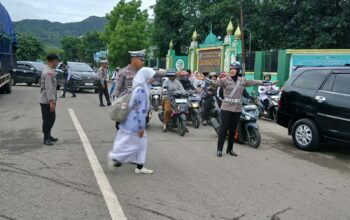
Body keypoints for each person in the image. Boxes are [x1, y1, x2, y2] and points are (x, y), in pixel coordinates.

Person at [206, 62, 277, 157]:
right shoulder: (225, 80)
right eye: (231, 68)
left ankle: (230, 149)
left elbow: (254, 82)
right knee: (223, 129)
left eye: (234, 69)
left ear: (238, 70)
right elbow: (215, 83)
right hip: (226, 108)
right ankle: (219, 149)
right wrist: (205, 79)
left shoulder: (242, 81)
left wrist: (269, 83)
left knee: (233, 129)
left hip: (237, 108)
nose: (232, 70)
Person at [108, 67, 157, 174]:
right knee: (138, 144)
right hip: (135, 122)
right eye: (152, 77)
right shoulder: (142, 90)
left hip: (130, 121)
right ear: (145, 77)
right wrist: (141, 126)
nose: (154, 79)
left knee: (133, 142)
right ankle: (116, 157)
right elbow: (142, 110)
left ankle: (138, 165)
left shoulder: (139, 86)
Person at [112, 50, 145, 129]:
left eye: (143, 60)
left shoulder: (143, 72)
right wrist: (115, 102)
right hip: (125, 104)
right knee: (121, 127)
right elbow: (117, 88)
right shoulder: (123, 72)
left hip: (137, 105)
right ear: (134, 59)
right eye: (141, 60)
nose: (143, 62)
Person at [39, 54, 60, 146]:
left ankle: (48, 135)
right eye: (57, 61)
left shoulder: (49, 70)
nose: (58, 62)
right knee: (48, 119)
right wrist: (51, 101)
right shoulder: (48, 72)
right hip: (47, 101)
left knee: (51, 118)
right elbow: (49, 88)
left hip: (48, 100)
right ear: (53, 61)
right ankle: (46, 138)